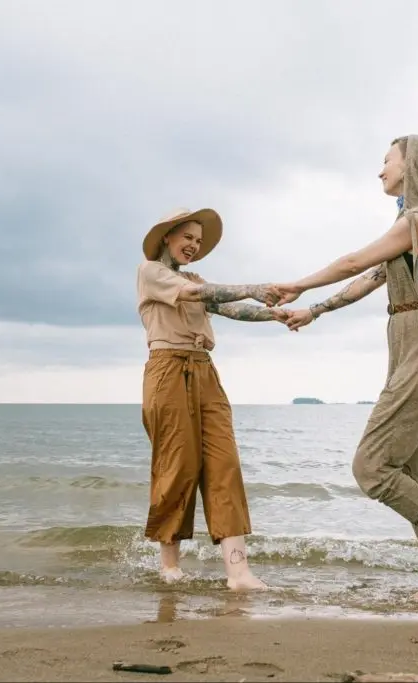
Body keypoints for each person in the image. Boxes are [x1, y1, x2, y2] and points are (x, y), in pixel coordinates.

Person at [274, 135, 418, 599]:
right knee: (406, 469)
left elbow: (353, 262)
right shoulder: (416, 227)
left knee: (371, 467)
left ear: (415, 166)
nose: (381, 169)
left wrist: (298, 286)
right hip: (417, 346)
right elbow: (370, 279)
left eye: (388, 160)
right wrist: (315, 311)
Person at [136, 207, 285, 591]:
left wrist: (277, 315)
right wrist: (253, 285)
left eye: (198, 241)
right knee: (178, 465)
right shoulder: (151, 272)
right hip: (167, 369)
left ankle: (239, 573)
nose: (193, 245)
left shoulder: (196, 279)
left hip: (206, 371)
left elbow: (226, 307)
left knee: (225, 464)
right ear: (167, 236)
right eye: (187, 237)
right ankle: (169, 566)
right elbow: (197, 293)